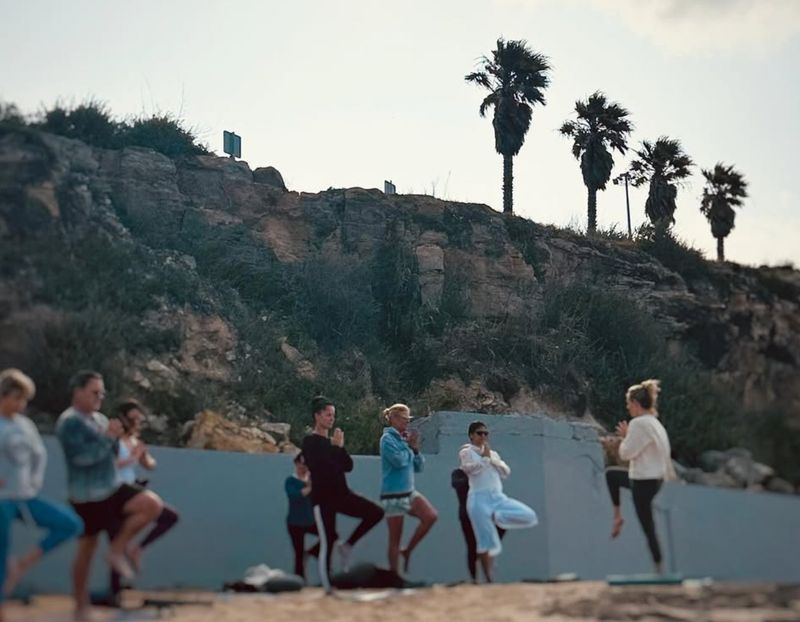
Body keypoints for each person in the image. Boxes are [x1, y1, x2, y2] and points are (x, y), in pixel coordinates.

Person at [55, 371, 163, 620]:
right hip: (87, 495)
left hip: (110, 488)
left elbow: (113, 453)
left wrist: (120, 440)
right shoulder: (70, 422)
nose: (100, 397)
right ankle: (81, 605)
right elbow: (82, 459)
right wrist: (109, 438)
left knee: (151, 505)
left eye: (102, 393)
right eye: (94, 392)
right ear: (78, 392)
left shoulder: (101, 420)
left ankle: (116, 550)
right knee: (87, 549)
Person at [0, 370, 83, 622]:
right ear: (3, 395)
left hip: (24, 497)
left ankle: (21, 565)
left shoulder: (25, 425)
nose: (21, 404)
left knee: (70, 524)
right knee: (0, 552)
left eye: (24, 399)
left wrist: (34, 483)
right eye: (16, 398)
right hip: (1, 500)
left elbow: (39, 456)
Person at [301, 396, 383, 592]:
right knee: (328, 540)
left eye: (333, 415)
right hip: (323, 499)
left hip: (343, 495)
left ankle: (347, 545)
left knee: (376, 513)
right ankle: (328, 586)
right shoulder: (310, 441)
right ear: (317, 416)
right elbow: (319, 467)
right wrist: (335, 450)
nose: (331, 419)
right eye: (328, 414)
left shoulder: (333, 444)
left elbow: (348, 466)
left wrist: (339, 448)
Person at [108, 400, 180, 598]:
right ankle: (115, 592)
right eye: (133, 418)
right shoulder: (113, 439)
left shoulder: (134, 441)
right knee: (117, 541)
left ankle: (138, 549)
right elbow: (112, 465)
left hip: (134, 492)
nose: (136, 422)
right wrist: (133, 456)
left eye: (139, 418)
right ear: (123, 418)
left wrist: (143, 456)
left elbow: (150, 464)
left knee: (169, 517)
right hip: (115, 494)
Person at [603, 379, 675, 574]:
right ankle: (618, 516)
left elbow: (625, 454)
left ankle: (659, 568)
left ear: (635, 403)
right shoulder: (655, 424)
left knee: (648, 527)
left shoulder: (638, 423)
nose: (628, 408)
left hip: (643, 482)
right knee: (613, 476)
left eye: (628, 404)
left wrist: (625, 437)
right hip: (655, 479)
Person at [458, 421, 537, 583]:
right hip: (478, 499)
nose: (483, 436)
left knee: (528, 515)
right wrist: (485, 459)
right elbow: (469, 469)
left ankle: (497, 518)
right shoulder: (466, 452)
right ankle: (488, 578)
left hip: (497, 498)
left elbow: (505, 472)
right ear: (472, 435)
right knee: (486, 541)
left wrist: (492, 459)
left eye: (486, 433)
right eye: (480, 433)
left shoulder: (492, 453)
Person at [379, 404, 437, 574]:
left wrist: (415, 449)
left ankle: (408, 550)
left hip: (408, 491)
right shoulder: (387, 439)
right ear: (394, 419)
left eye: (408, 420)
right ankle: (394, 575)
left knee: (430, 516)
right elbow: (399, 462)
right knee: (395, 538)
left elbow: (418, 467)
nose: (407, 423)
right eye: (405, 419)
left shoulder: (404, 440)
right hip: (393, 494)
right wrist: (408, 447)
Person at [450, 467, 505, 583]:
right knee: (471, 546)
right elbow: (460, 486)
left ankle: (488, 576)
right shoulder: (459, 474)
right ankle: (474, 579)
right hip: (467, 515)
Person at [284, 452, 320, 580]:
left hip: (310, 521)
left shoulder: (312, 481)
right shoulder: (291, 481)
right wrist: (309, 487)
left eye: (305, 465)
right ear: (296, 464)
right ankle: (300, 581)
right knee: (298, 553)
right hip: (295, 523)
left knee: (331, 534)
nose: (303, 467)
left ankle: (312, 552)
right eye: (301, 465)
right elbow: (294, 496)